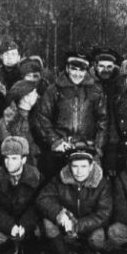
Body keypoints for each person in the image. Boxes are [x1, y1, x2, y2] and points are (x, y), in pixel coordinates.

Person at [34, 51, 107, 179]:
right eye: (74, 69)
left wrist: (98, 146)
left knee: (92, 182)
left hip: (87, 147)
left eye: (82, 70)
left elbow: (103, 120)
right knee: (59, 183)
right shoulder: (54, 90)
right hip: (62, 147)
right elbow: (42, 117)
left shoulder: (96, 91)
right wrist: (55, 141)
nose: (77, 74)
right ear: (67, 68)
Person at [37, 146, 111, 254]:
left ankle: (83, 250)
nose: (79, 171)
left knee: (97, 239)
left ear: (91, 166)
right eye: (75, 166)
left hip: (87, 225)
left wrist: (77, 225)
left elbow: (104, 214)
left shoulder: (102, 183)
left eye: (83, 166)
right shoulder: (59, 179)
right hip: (65, 223)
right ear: (69, 166)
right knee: (47, 224)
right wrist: (59, 214)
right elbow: (43, 198)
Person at [0, 136, 43, 254]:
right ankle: (10, 249)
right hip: (8, 225)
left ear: (24, 159)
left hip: (28, 225)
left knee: (42, 229)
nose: (9, 163)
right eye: (6, 158)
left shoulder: (36, 178)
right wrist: (10, 226)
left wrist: (24, 225)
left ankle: (29, 248)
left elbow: (38, 206)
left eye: (14, 158)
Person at [0, 80, 41, 166]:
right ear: (25, 96)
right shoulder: (6, 121)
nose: (37, 96)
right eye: (34, 93)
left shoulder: (35, 116)